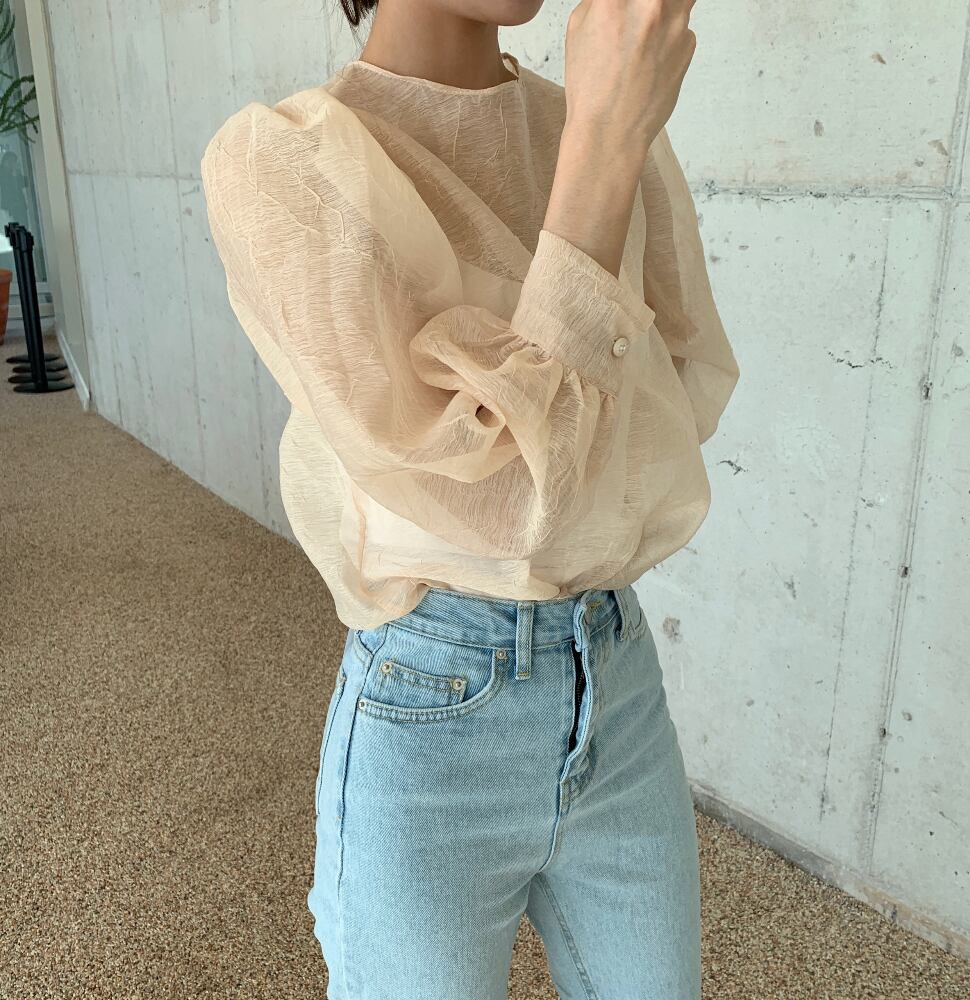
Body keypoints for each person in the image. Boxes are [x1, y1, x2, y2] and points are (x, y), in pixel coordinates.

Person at [200, 0, 739, 994]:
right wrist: (602, 148)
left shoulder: (595, 118)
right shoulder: (286, 163)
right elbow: (504, 505)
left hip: (617, 681)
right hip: (432, 714)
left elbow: (678, 397)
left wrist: (607, 133)